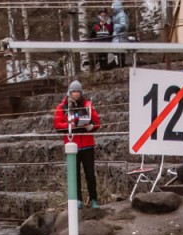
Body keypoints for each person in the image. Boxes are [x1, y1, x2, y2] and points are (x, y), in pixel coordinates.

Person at [54, 80, 102, 209]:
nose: (75, 93)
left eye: (78, 91)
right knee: (74, 175)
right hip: (72, 145)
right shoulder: (62, 107)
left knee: (90, 174)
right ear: (69, 92)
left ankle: (94, 199)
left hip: (87, 145)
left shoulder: (88, 105)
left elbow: (97, 122)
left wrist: (91, 126)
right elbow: (57, 125)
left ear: (81, 92)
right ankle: (78, 200)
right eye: (73, 91)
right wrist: (71, 125)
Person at [110, 0, 129, 68]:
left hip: (120, 36)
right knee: (117, 51)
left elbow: (123, 25)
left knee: (120, 51)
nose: (113, 9)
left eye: (114, 8)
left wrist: (115, 27)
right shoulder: (117, 15)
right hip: (118, 36)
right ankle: (118, 64)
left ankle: (120, 64)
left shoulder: (122, 15)